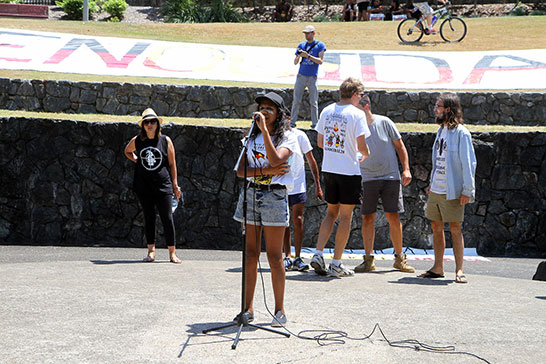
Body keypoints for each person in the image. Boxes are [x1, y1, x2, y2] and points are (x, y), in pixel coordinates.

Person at [233, 92, 298, 326]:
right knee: (250, 254)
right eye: (262, 107)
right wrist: (266, 173)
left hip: (274, 197)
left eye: (270, 108)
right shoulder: (250, 137)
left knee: (274, 256)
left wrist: (267, 134)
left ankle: (279, 309)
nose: (264, 111)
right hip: (251, 193)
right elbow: (241, 171)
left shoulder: (288, 138)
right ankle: (247, 308)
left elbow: (275, 159)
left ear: (279, 113)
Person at [311, 77, 371, 277]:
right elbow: (362, 146)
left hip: (330, 168)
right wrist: (366, 154)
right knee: (346, 216)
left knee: (330, 213)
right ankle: (336, 262)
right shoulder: (357, 114)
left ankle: (318, 254)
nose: (361, 99)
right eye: (361, 95)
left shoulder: (327, 110)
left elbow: (320, 142)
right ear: (355, 94)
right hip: (348, 170)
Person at [419, 93, 476, 284]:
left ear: (448, 109)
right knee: (436, 226)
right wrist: (431, 182)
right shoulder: (440, 131)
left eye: (439, 106)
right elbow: (438, 161)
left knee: (455, 228)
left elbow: (469, 164)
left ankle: (459, 270)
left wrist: (468, 190)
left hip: (453, 189)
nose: (435, 109)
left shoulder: (462, 133)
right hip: (437, 188)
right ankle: (438, 267)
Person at [353, 94, 414, 273]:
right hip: (366, 178)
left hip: (390, 177)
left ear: (366, 108)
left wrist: (406, 169)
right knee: (367, 218)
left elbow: (400, 146)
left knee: (393, 216)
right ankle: (368, 259)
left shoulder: (384, 122)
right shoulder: (355, 127)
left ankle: (399, 258)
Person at [124, 108, 182, 264]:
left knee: (167, 218)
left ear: (157, 124)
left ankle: (172, 253)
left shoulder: (165, 140)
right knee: (149, 218)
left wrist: (175, 185)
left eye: (152, 121)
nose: (150, 125)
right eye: (146, 122)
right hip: (144, 185)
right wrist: (137, 160)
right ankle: (151, 251)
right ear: (143, 125)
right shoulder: (138, 140)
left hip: (163, 185)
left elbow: (172, 164)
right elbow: (127, 151)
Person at [282, 128, 323, 272]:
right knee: (284, 221)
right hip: (280, 184)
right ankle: (287, 256)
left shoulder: (300, 135)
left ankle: (298, 257)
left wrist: (318, 186)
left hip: (298, 184)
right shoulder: (275, 134)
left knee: (297, 219)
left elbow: (311, 161)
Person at [291, 25, 326, 129]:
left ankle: (315, 123)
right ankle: (292, 122)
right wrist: (298, 56)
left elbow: (320, 61)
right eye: (305, 33)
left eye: (308, 33)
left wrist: (308, 56)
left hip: (312, 77)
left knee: (313, 102)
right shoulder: (301, 45)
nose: (306, 35)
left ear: (313, 33)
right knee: (296, 100)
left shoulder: (320, 45)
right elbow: (295, 62)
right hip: (301, 75)